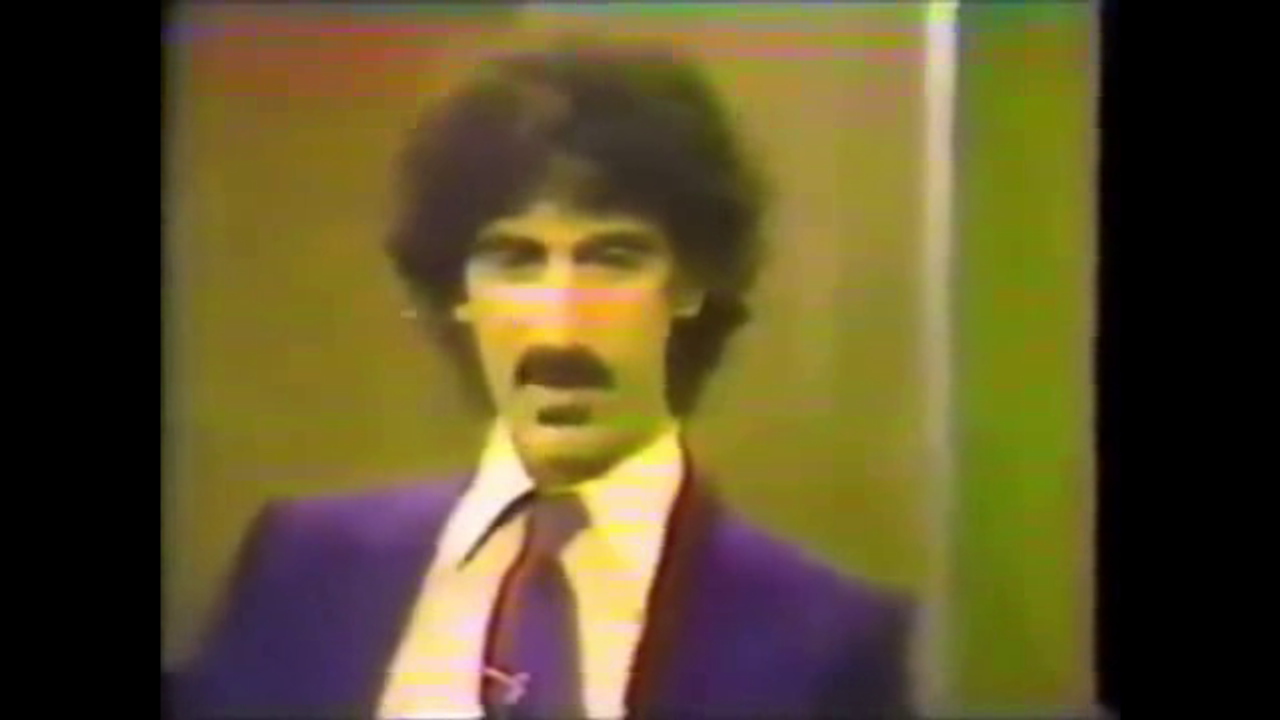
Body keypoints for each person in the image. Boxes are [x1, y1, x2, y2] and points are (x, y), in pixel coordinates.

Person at [176, 35, 915, 719]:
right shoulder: (306, 570)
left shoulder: (823, 639)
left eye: (613, 258)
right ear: (456, 292)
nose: (561, 323)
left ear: (693, 283)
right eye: (516, 260)